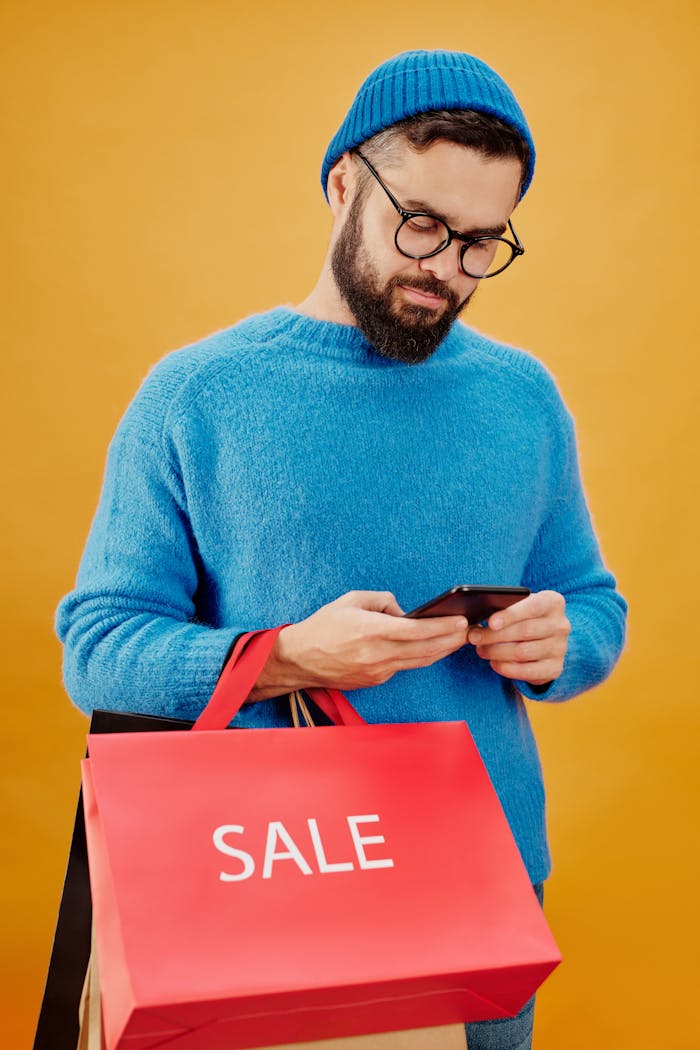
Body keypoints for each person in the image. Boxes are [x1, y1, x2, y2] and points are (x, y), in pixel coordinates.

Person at [56, 49, 627, 1050]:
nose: (446, 271)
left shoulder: (522, 396)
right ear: (340, 186)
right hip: (266, 890)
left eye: (481, 245)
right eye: (423, 226)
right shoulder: (197, 395)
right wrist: (283, 656)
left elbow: (592, 603)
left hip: (483, 888)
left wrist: (562, 641)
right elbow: (96, 646)